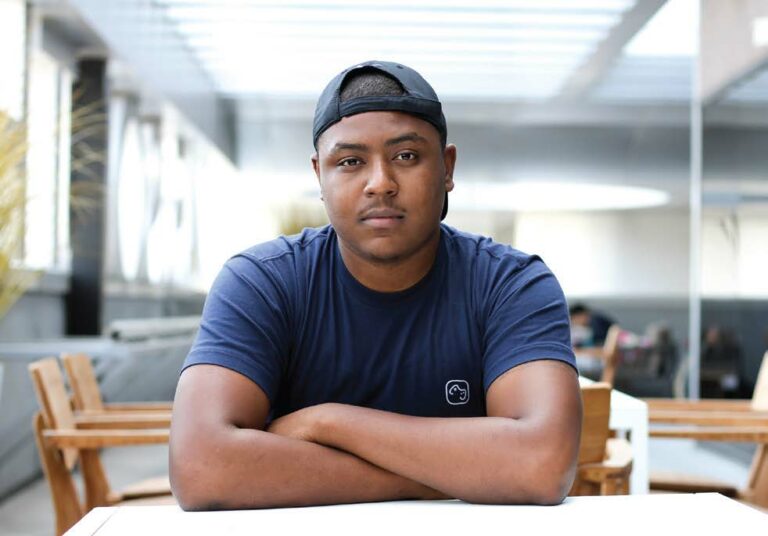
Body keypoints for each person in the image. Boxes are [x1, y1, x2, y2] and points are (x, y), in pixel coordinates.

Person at [169, 60, 581, 510]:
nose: (380, 184)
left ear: (446, 168)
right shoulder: (263, 281)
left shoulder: (511, 284)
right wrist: (446, 477)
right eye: (350, 162)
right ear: (319, 177)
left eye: (406, 157)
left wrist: (327, 422)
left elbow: (541, 465)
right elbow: (201, 467)